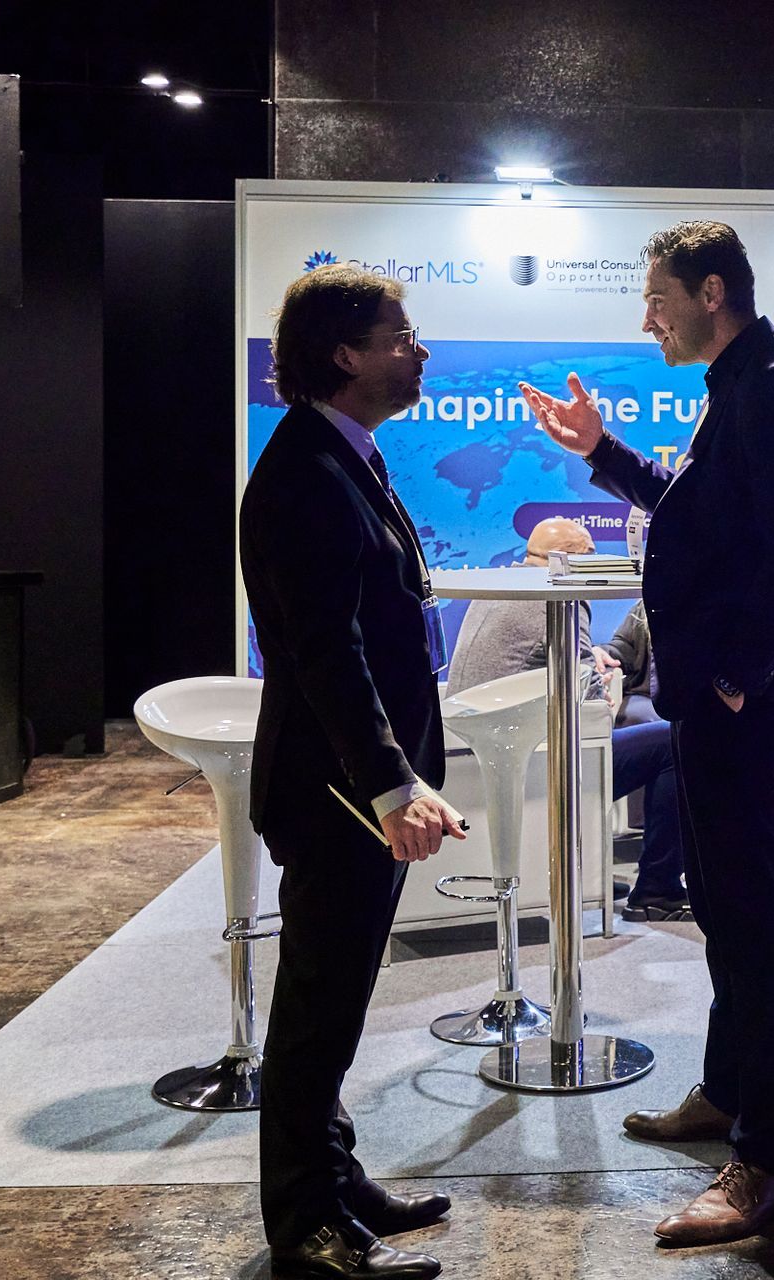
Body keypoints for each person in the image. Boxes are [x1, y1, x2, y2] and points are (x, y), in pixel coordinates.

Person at [518, 219, 774, 1247]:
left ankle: (769, 1161)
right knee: (718, 897)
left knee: (753, 910)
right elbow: (696, 516)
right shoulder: (740, 383)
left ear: (713, 290)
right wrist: (602, 451)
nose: (645, 318)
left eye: (657, 299)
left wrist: (739, 677)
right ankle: (724, 1090)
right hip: (714, 694)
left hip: (738, 696)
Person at [240, 263, 462, 1280]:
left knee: (338, 1000)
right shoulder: (301, 476)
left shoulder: (347, 458)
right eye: (400, 335)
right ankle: (304, 1224)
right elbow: (329, 651)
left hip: (357, 787)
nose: (419, 351)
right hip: (334, 792)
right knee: (316, 1007)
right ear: (346, 354)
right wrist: (390, 782)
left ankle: (335, 1179)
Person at [444, 545, 691, 923]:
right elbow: (590, 698)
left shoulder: (496, 591)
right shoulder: (556, 598)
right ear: (569, 562)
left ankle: (592, 873)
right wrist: (600, 678)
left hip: (477, 756)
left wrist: (598, 659)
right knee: (672, 743)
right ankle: (657, 891)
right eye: (590, 555)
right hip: (533, 762)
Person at [443, 517, 598, 694]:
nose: (593, 563)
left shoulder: (496, 586)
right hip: (505, 717)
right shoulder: (559, 598)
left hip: (458, 715)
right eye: (589, 556)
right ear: (562, 559)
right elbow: (584, 679)